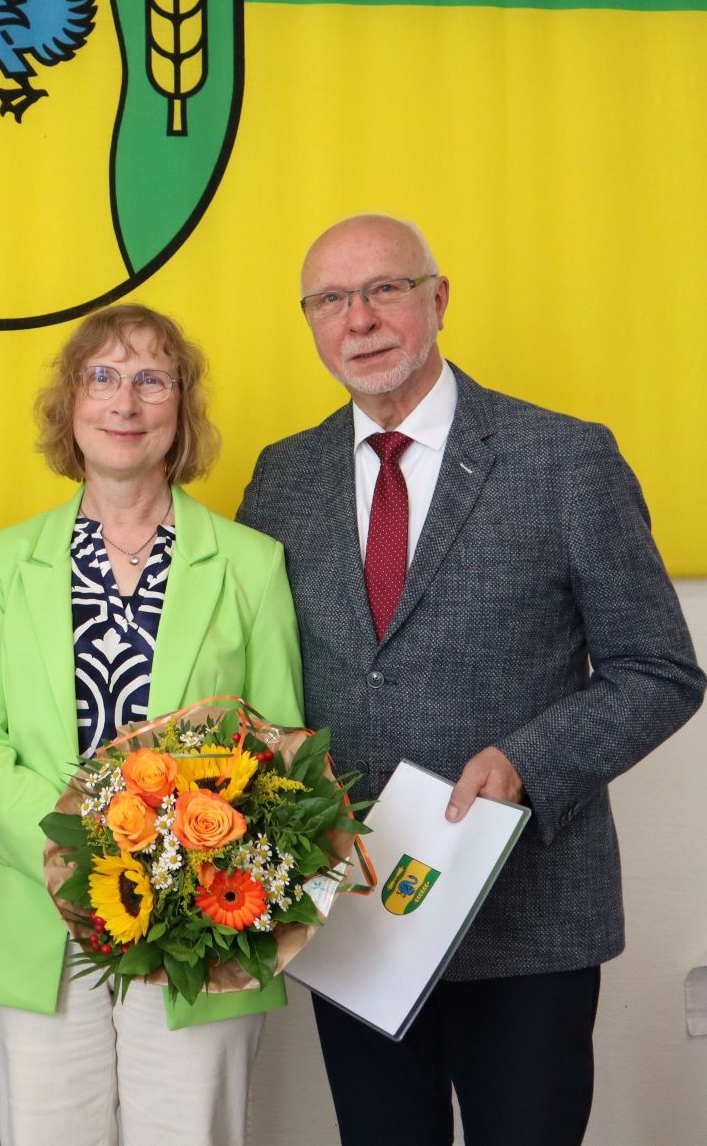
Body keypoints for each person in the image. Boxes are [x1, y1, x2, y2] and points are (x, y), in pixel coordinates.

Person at [237, 214, 703, 1146]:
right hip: (356, 913)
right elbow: (235, 649)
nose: (359, 318)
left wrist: (528, 759)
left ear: (438, 299)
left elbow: (659, 669)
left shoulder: (565, 459)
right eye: (332, 299)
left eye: (386, 289)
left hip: (528, 913)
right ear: (311, 324)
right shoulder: (281, 477)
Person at [0, 303, 303, 1146]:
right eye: (102, 377)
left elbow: (279, 745)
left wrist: (172, 861)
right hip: (38, 911)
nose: (125, 401)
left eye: (151, 380)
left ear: (182, 409)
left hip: (199, 915)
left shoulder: (251, 563)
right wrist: (86, 853)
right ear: (70, 404)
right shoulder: (4, 560)